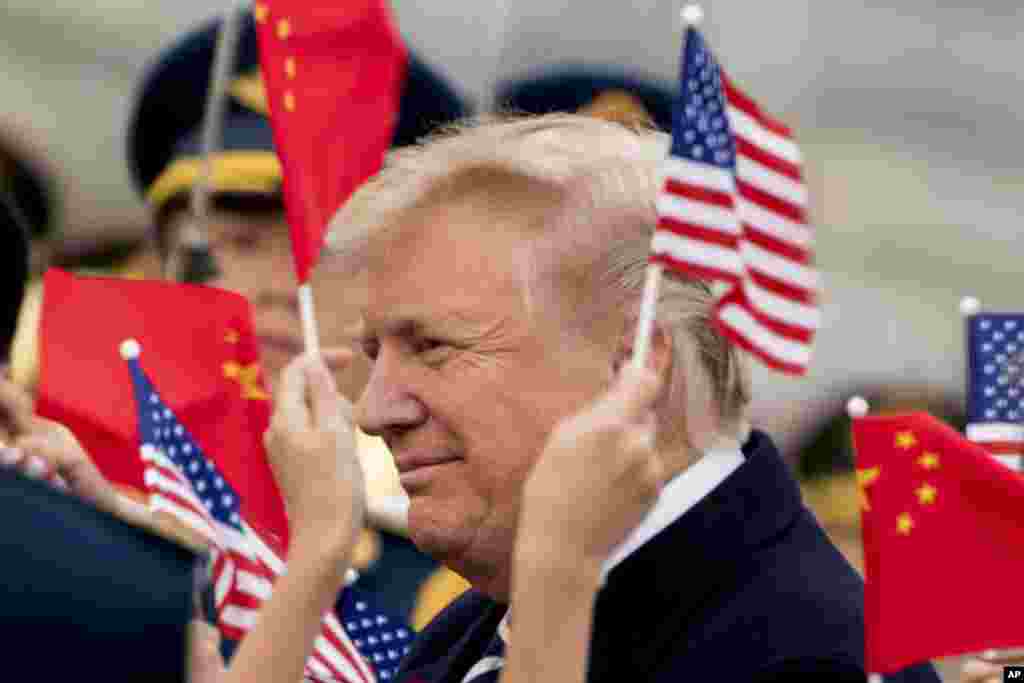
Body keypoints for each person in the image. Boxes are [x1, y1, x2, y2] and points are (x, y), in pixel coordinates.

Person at [322, 112, 942, 682]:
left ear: (635, 363)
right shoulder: (476, 627)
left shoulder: (809, 662)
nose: (374, 412)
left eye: (432, 346)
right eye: (377, 357)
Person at [127, 5, 473, 629]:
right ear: (161, 262)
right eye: (239, 242)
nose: (284, 288)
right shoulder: (40, 487)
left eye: (326, 254)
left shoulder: (441, 600)